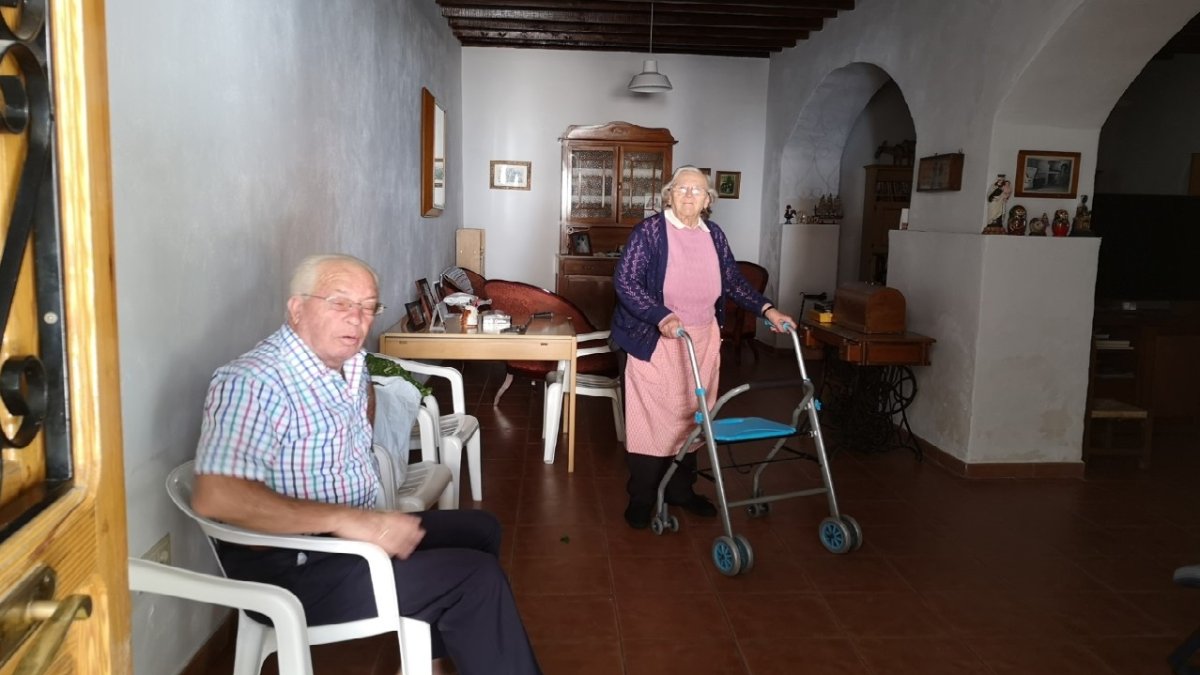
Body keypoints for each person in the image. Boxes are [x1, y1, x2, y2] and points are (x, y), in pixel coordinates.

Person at [191, 253, 541, 675]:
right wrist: (352, 521)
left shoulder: (349, 365)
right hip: (294, 566)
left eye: (368, 307)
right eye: (340, 303)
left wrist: (366, 518)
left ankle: (427, 659)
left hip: (348, 540)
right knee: (475, 577)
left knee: (481, 530)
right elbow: (216, 496)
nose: (357, 320)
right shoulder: (254, 381)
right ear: (297, 308)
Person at [611, 167, 795, 529]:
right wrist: (660, 315)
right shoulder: (649, 232)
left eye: (698, 190)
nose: (690, 195)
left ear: (708, 200)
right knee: (652, 421)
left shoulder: (714, 234)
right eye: (682, 189)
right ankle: (642, 497)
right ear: (669, 195)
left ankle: (681, 490)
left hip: (702, 337)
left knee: (693, 416)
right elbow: (626, 282)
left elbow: (732, 281)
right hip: (655, 338)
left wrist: (767, 309)